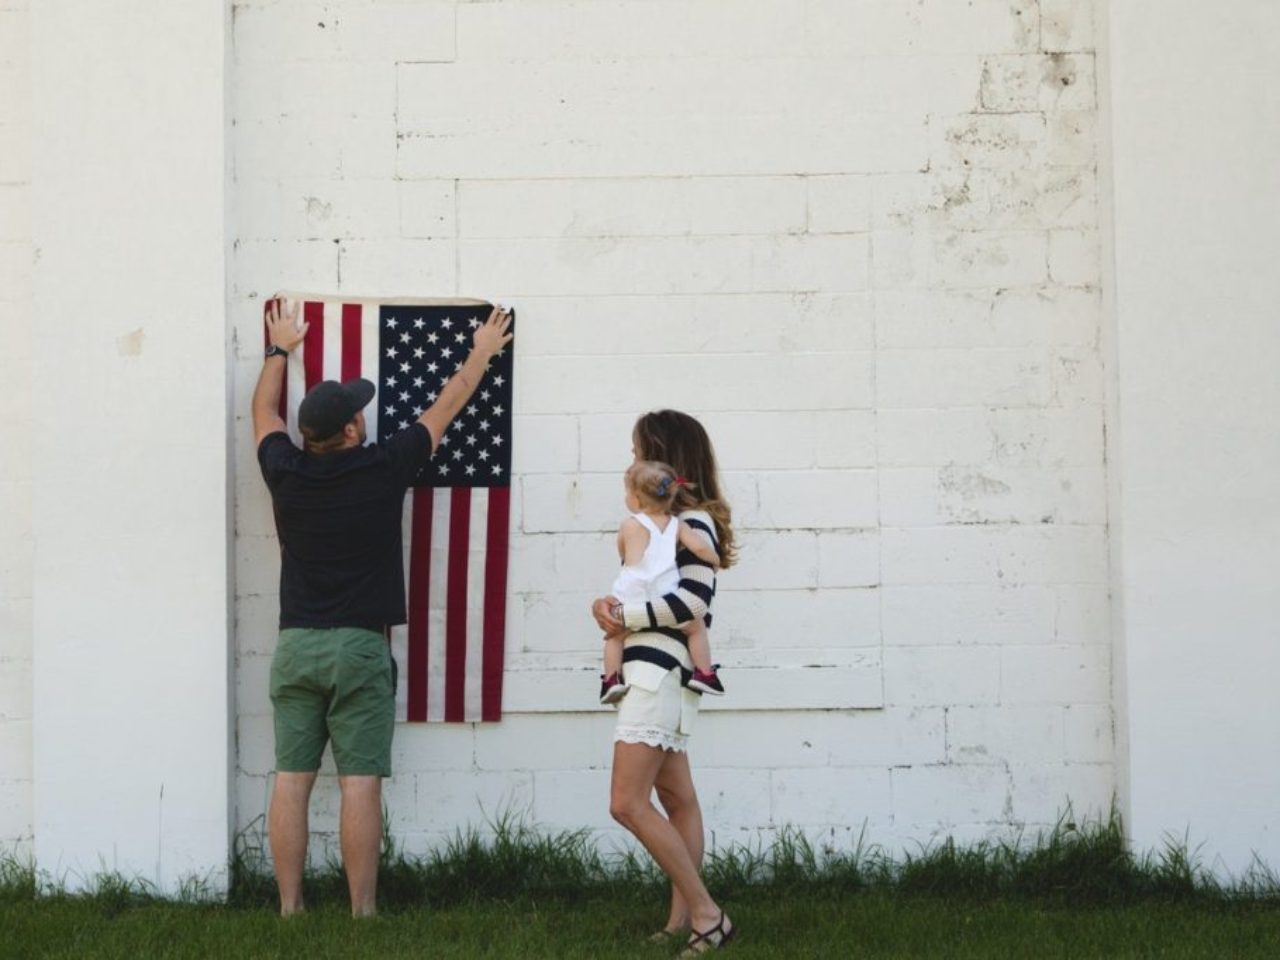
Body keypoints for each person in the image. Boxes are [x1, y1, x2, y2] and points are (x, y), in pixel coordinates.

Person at [251, 297, 513, 916]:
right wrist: (480, 352)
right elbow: (446, 406)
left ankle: (290, 910)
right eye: (358, 414)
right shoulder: (381, 467)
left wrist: (278, 349)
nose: (365, 417)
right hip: (360, 648)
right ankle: (361, 913)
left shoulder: (284, 470)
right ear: (348, 432)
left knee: (291, 780)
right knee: (359, 782)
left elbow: (263, 411)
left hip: (296, 646)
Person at [591, 410, 739, 955]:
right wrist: (607, 606)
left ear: (660, 457)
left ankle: (707, 914)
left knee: (626, 802)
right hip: (659, 671)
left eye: (637, 453)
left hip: (658, 671)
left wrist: (622, 619)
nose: (631, 464)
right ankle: (681, 923)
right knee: (677, 798)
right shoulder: (663, 526)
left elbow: (694, 602)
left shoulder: (691, 522)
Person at [599, 459, 724, 705]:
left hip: (631, 598)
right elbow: (699, 547)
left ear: (635, 499)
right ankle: (704, 673)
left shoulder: (629, 525)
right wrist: (715, 559)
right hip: (664, 597)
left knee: (615, 637)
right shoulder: (678, 525)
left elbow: (624, 556)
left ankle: (611, 680)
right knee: (695, 627)